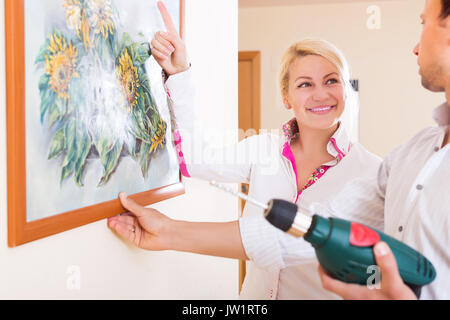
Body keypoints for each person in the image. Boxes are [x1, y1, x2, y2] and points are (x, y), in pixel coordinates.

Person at [107, 1, 383, 299]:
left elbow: (378, 268)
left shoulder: (372, 173)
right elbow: (198, 161)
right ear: (286, 97)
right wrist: (180, 73)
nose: (320, 94)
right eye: (305, 84)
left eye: (331, 81)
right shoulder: (263, 149)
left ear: (345, 89)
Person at [316, 0, 450, 300]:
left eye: (423, 22)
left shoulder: (365, 160)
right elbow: (322, 222)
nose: (415, 48)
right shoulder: (411, 154)